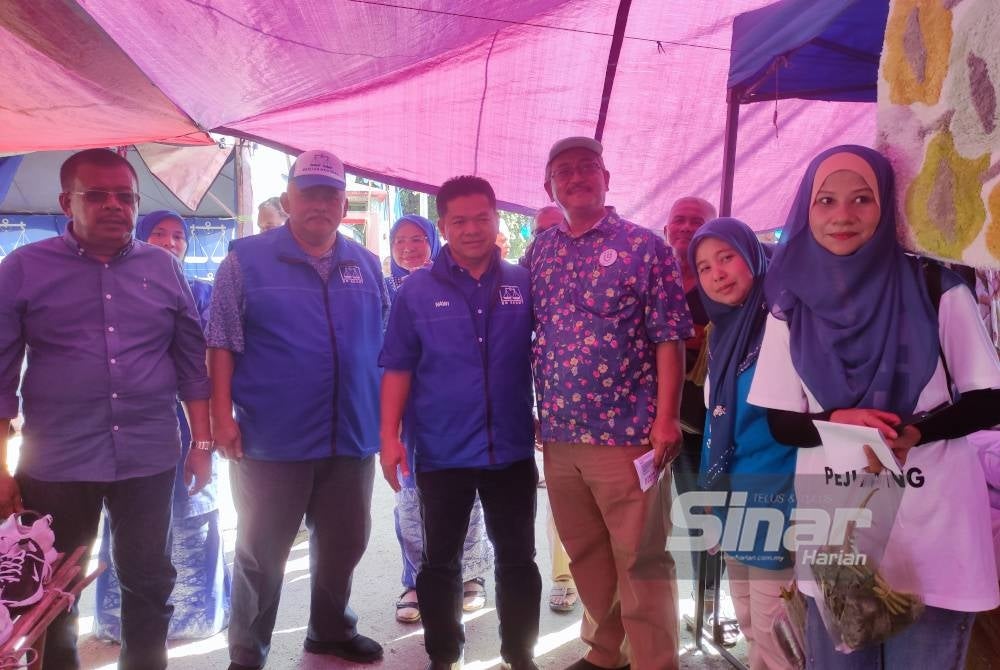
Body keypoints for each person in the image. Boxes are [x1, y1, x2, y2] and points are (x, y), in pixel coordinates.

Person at [748, 145, 1000, 668]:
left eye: (862, 199)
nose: (843, 215)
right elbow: (782, 423)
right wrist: (837, 422)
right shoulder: (790, 304)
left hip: (934, 529)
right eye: (827, 200)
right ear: (807, 210)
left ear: (887, 206)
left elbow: (988, 399)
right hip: (839, 538)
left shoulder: (936, 287)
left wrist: (915, 432)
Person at [0, 148, 212, 670]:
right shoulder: (24, 268)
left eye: (126, 196)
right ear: (65, 202)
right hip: (58, 461)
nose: (114, 205)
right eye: (96, 195)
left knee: (149, 577)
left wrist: (202, 444)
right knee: (53, 587)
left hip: (148, 456)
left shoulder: (163, 267)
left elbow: (191, 363)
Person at [207, 149, 386, 670]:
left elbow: (386, 347)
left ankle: (330, 631)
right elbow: (221, 341)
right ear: (288, 198)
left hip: (351, 435)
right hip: (272, 438)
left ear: (343, 202)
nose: (320, 204)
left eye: (331, 194)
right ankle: (248, 651)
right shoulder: (245, 260)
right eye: (309, 192)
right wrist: (222, 415)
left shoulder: (367, 265)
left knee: (345, 542)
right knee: (262, 554)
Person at [523, 136, 692, 670]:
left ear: (606, 177)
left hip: (627, 437)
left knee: (641, 560)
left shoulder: (645, 247)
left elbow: (670, 338)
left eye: (586, 167)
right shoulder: (539, 252)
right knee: (588, 556)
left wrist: (666, 419)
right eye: (563, 171)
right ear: (549, 186)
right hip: (559, 435)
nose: (575, 178)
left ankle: (654, 662)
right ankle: (605, 654)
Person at [381, 176, 541, 670]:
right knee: (440, 562)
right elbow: (398, 367)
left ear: (497, 220)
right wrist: (389, 437)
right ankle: (444, 656)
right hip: (442, 449)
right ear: (443, 226)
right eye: (459, 221)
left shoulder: (522, 281)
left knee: (518, 559)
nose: (472, 229)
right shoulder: (417, 291)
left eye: (481, 218)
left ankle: (519, 654)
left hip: (510, 449)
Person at [95, 209, 231, 641]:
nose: (170, 242)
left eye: (178, 235)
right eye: (159, 233)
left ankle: (198, 614)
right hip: (129, 423)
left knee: (195, 508)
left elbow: (212, 364)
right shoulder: (113, 293)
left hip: (192, 420)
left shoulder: (202, 293)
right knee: (129, 519)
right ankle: (123, 621)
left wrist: (205, 435)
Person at [688, 218, 796, 670]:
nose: (717, 274)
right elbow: (717, 425)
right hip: (734, 498)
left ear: (752, 256)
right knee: (750, 616)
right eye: (704, 266)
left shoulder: (785, 319)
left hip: (780, 495)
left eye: (727, 257)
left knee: (781, 629)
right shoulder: (724, 333)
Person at [383, 214, 494, 623]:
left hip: (454, 414)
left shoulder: (448, 285)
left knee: (468, 496)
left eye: (417, 239)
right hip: (405, 416)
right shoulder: (384, 289)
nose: (408, 248)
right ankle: (414, 579)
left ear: (433, 240)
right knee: (409, 501)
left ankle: (473, 578)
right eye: (400, 241)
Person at [664, 195, 738, 641]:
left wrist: (687, 337)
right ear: (667, 226)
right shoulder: (655, 275)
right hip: (656, 423)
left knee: (710, 517)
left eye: (698, 220)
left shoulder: (722, 278)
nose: (687, 227)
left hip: (712, 424)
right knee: (660, 524)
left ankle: (710, 605)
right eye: (679, 219)